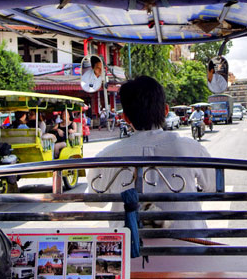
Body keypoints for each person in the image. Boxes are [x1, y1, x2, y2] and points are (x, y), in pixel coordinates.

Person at [88, 76, 215, 229]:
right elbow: (212, 187)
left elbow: (94, 200)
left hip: (130, 250)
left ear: (125, 118)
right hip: (189, 245)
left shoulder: (108, 155)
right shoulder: (191, 148)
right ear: (166, 111)